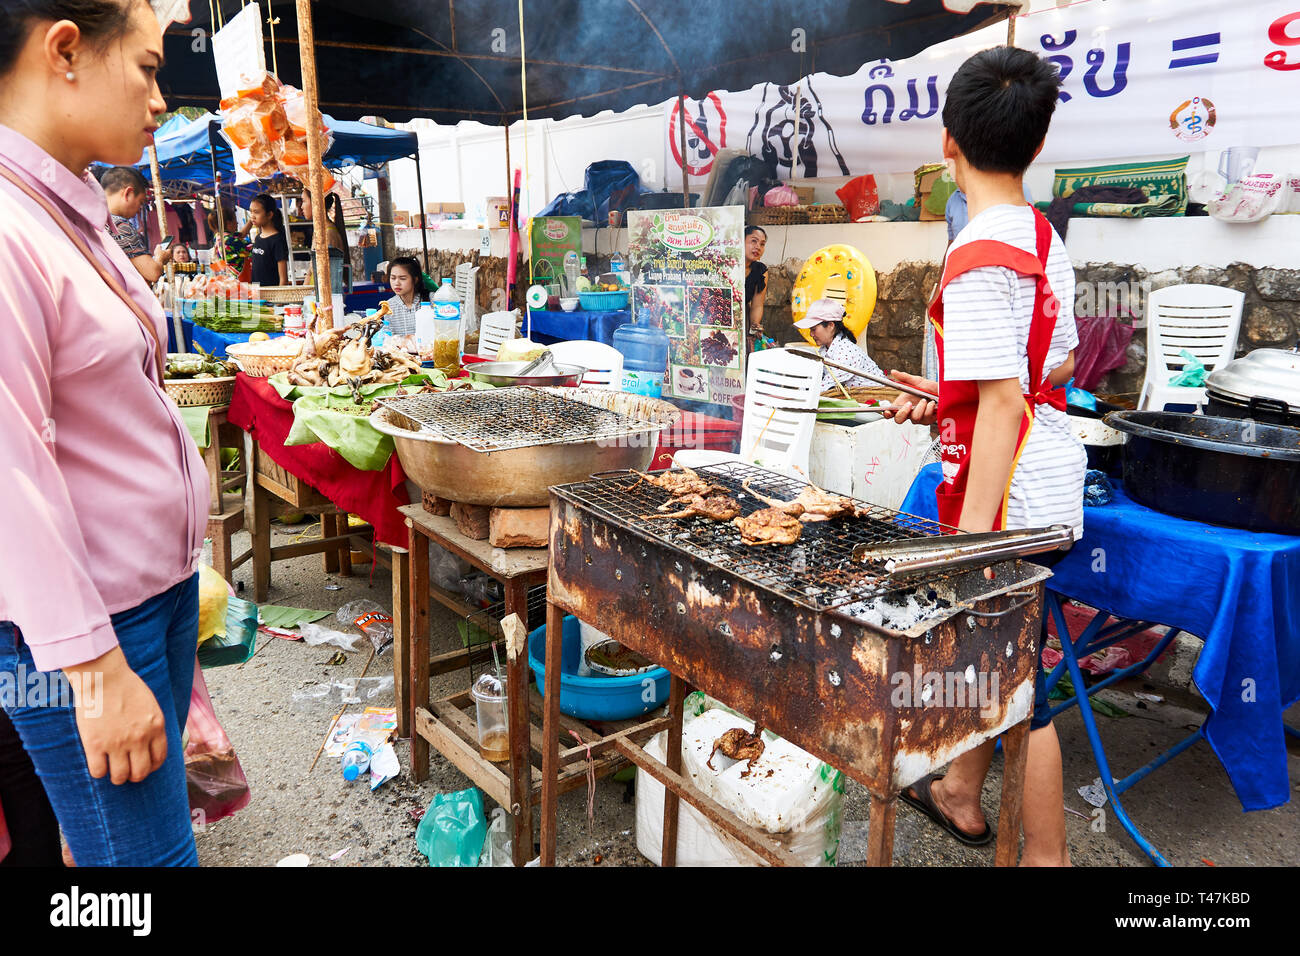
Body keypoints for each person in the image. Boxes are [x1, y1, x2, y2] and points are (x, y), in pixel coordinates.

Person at [0, 0, 207, 866]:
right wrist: (89, 669)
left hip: (146, 597)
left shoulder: (63, 206)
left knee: (122, 861)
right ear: (65, 51)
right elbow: (9, 470)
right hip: (88, 629)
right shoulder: (10, 229)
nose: (161, 99)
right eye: (150, 68)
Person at [887, 46, 1083, 867]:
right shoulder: (1042, 234)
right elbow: (1057, 364)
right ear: (1038, 147)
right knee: (995, 655)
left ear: (946, 142)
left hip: (1004, 501)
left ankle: (1045, 858)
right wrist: (949, 396)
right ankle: (961, 795)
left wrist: (967, 551)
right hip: (1046, 475)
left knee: (1020, 691)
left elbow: (1004, 405)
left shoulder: (974, 257)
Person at [793, 297, 884, 392]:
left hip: (877, 396)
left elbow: (821, 389)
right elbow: (813, 378)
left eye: (814, 329)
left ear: (831, 325)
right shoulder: (824, 350)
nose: (811, 334)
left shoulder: (846, 352)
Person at [100, 164, 171, 283]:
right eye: (141, 202)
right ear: (128, 193)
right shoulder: (118, 225)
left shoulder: (91, 219)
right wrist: (160, 258)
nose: (139, 209)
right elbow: (152, 273)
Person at [247, 192, 288, 286]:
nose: (252, 216)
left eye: (256, 212)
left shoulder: (277, 240)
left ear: (269, 215)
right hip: (257, 295)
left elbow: (283, 279)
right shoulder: (258, 238)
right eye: (251, 212)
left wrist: (279, 300)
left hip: (272, 297)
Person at [384, 256, 427, 341]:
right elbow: (388, 337)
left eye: (402, 278)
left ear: (415, 280)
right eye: (393, 278)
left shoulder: (431, 300)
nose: (397, 283)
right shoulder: (389, 306)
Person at [744, 225, 768, 350]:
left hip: (743, 318)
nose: (758, 247)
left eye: (762, 244)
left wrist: (754, 326)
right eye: (753, 241)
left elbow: (757, 305)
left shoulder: (761, 270)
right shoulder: (726, 264)